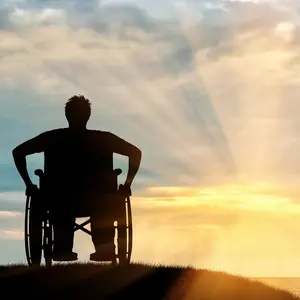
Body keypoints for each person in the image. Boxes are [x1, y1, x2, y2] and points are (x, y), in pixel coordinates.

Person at [12, 95, 142, 262]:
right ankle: (105, 247)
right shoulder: (105, 139)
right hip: (100, 199)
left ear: (67, 116)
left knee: (62, 201)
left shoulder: (52, 138)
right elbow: (136, 153)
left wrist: (29, 184)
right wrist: (127, 184)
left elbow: (18, 152)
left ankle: (62, 248)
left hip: (59, 199)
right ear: (88, 116)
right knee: (101, 202)